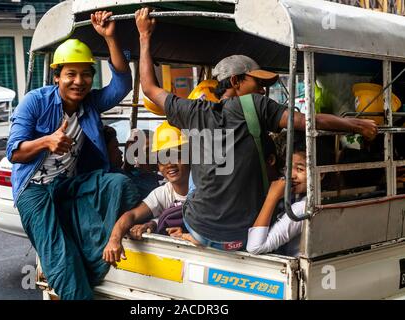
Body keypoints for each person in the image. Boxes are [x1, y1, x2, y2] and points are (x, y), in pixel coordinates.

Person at [134, 8, 378, 251]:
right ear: (235, 82)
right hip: (238, 236)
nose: (262, 90)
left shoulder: (190, 110)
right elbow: (304, 122)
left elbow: (148, 87)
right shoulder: (254, 104)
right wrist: (354, 124)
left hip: (197, 227)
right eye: (258, 83)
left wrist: (144, 36)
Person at [7, 11, 140, 300]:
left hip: (69, 185)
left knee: (119, 184)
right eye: (71, 74)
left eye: (86, 74)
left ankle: (115, 244)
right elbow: (14, 153)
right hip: (35, 192)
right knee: (60, 255)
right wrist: (46, 142)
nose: (79, 81)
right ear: (57, 77)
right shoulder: (35, 102)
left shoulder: (90, 103)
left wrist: (109, 37)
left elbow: (122, 85)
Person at [103, 121, 190, 267]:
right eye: (162, 159)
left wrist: (187, 234)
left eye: (176, 156)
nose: (169, 164)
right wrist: (114, 240)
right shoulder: (163, 191)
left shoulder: (204, 189)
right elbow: (132, 215)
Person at [246, 140, 309, 257]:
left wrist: (272, 196)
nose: (291, 175)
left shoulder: (303, 208)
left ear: (320, 174)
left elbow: (255, 247)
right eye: (287, 168)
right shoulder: (297, 196)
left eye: (300, 169)